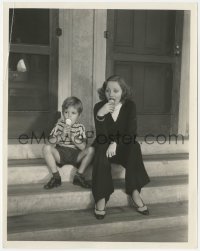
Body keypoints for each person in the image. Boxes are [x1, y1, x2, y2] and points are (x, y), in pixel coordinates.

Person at [92, 75, 150, 219]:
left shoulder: (130, 106)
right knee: (100, 149)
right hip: (104, 144)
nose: (111, 95)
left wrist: (115, 143)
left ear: (123, 92)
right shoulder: (99, 107)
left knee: (134, 146)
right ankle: (101, 197)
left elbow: (131, 132)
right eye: (107, 91)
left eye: (116, 91)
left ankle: (134, 191)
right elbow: (101, 136)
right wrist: (101, 115)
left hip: (123, 145)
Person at [43, 96, 94, 189]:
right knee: (46, 148)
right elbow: (49, 142)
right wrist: (61, 135)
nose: (69, 115)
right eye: (66, 112)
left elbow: (83, 147)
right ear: (63, 113)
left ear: (79, 115)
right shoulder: (59, 125)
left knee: (91, 150)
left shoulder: (80, 127)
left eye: (73, 113)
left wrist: (72, 136)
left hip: (76, 154)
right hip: (60, 153)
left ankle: (79, 176)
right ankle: (56, 177)